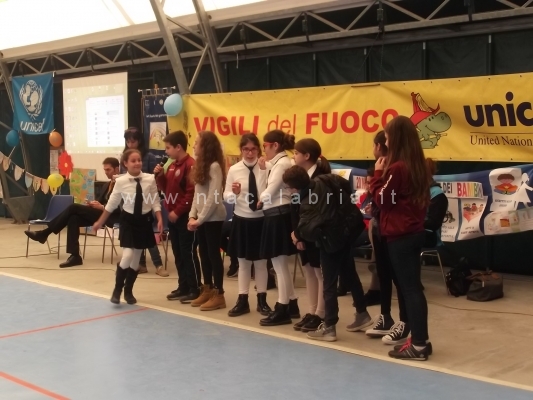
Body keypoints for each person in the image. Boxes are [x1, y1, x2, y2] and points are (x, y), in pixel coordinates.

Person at [283, 166, 371, 342]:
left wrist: (296, 235)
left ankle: (329, 326)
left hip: (330, 241)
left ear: (294, 188)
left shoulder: (307, 203)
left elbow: (308, 231)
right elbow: (346, 186)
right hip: (348, 231)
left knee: (329, 283)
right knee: (350, 275)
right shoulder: (326, 179)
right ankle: (362, 313)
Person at [370, 115, 433, 361]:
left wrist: (377, 175)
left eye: (387, 137)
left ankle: (419, 344)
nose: (385, 142)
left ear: (396, 138)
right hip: (413, 232)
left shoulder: (398, 168)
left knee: (410, 290)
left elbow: (382, 199)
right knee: (413, 289)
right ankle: (419, 340)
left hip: (402, 235)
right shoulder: (417, 165)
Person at [93, 149, 162, 304]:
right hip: (128, 221)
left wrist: (159, 218)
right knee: (127, 255)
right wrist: (100, 222)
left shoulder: (150, 179)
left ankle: (128, 290)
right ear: (125, 163)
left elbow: (155, 201)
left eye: (139, 160)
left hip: (143, 222)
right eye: (133, 161)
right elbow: (111, 205)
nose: (137, 163)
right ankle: (117, 289)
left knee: (136, 260)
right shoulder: (121, 181)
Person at [24, 158, 121, 268]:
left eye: (108, 170)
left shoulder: (123, 185)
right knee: (73, 218)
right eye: (104, 170)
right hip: (100, 214)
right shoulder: (106, 185)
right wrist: (93, 204)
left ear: (117, 169)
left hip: (112, 216)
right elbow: (100, 202)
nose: (106, 172)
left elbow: (121, 207)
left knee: (73, 207)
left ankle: (45, 233)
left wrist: (102, 207)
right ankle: (75, 256)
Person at [224, 133, 273, 317]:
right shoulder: (234, 169)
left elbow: (271, 191)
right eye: (246, 149)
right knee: (243, 263)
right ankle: (242, 300)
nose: (250, 153)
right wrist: (234, 194)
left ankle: (262, 300)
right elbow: (226, 196)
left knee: (261, 263)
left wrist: (264, 171)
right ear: (241, 150)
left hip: (262, 219)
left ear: (259, 150)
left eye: (253, 149)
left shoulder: (267, 167)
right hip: (242, 219)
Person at [257, 130, 300, 327]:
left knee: (279, 266)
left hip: (278, 215)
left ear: (275, 145)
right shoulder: (278, 163)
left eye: (265, 145)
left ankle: (282, 307)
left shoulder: (282, 163)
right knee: (280, 265)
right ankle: (291, 303)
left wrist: (259, 199)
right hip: (276, 214)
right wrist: (264, 169)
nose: (263, 149)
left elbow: (269, 191)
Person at [155, 131, 201, 303]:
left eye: (168, 148)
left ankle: (195, 287)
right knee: (178, 252)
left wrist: (178, 211)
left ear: (178, 147)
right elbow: (166, 189)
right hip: (173, 216)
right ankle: (183, 286)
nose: (166, 151)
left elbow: (191, 194)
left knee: (187, 252)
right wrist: (160, 176)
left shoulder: (190, 165)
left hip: (184, 216)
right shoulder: (172, 165)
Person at [291, 138, 330, 333]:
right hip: (303, 232)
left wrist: (301, 233)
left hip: (316, 233)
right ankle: (312, 311)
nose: (294, 156)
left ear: (307, 156)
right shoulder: (300, 177)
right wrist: (297, 234)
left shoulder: (320, 179)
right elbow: (296, 208)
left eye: (296, 153)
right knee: (308, 270)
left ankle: (321, 314)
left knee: (319, 272)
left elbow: (316, 211)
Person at [188, 131, 227, 311]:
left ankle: (219, 293)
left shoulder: (214, 167)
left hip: (213, 218)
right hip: (202, 219)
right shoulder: (200, 166)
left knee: (213, 254)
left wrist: (200, 219)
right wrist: (192, 216)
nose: (194, 145)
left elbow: (214, 196)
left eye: (197, 143)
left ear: (206, 146)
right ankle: (208, 287)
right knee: (203, 252)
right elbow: (197, 195)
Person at [120, 127, 167, 276]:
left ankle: (158, 265)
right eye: (128, 141)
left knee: (148, 235)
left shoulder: (149, 156)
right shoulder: (124, 157)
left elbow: (153, 177)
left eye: (132, 141)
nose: (130, 144)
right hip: (130, 202)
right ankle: (141, 264)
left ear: (139, 141)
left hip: (146, 199)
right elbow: (124, 177)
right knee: (136, 236)